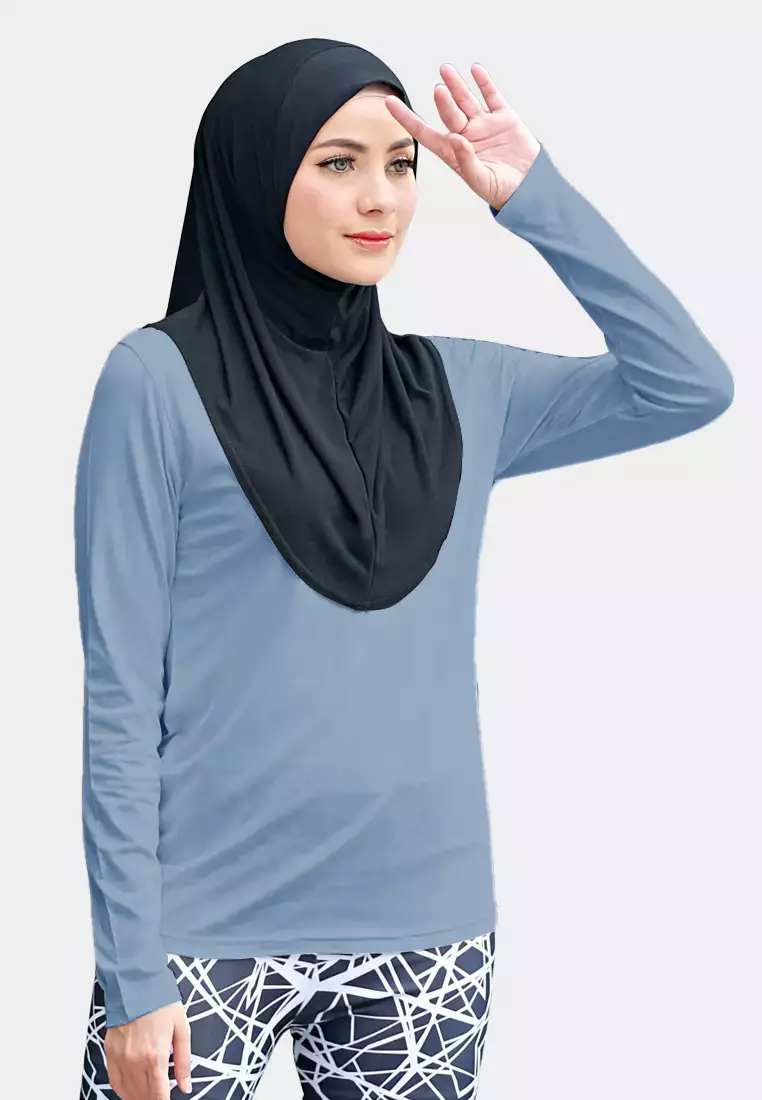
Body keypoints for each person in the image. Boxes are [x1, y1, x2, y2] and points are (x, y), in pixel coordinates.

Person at [75, 37, 733, 1100]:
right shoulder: (154, 382)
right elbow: (119, 696)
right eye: (337, 162)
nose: (380, 196)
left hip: (425, 935)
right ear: (256, 172)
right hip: (202, 935)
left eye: (401, 163)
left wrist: (533, 197)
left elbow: (687, 384)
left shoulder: (463, 391)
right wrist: (132, 970)